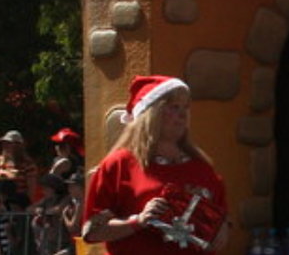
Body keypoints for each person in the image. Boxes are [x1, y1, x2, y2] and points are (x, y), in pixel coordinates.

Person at [82, 75, 229, 255]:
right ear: (151, 113)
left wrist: (219, 231)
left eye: (186, 107)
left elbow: (222, 230)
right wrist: (139, 221)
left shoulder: (203, 169)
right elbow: (92, 231)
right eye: (174, 107)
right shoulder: (119, 165)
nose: (183, 114)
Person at [0, 130, 38, 209]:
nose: (5, 145)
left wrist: (24, 208)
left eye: (8, 143)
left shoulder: (28, 164)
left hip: (18, 205)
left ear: (17, 145)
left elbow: (31, 190)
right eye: (4, 143)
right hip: (0, 206)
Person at [32, 173, 79, 255]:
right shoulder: (46, 200)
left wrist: (45, 211)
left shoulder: (66, 198)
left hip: (62, 238)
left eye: (46, 188)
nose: (43, 190)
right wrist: (39, 209)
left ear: (54, 187)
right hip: (49, 238)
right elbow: (32, 209)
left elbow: (58, 210)